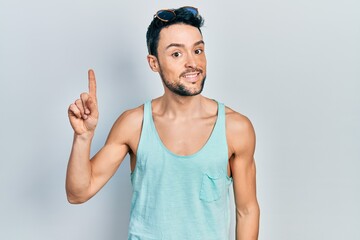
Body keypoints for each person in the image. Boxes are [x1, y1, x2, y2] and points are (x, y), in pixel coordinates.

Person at [66, 6, 259, 240]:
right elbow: (78, 193)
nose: (192, 63)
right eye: (176, 54)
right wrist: (83, 137)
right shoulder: (134, 124)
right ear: (154, 63)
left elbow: (246, 210)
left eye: (198, 50)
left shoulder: (235, 128)